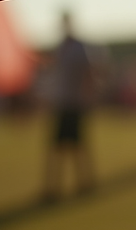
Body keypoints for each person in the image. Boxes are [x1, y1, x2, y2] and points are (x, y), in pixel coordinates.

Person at [41, 12, 95, 201]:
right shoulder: (60, 47)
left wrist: (85, 99)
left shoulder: (78, 47)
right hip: (62, 103)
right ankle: (55, 187)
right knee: (59, 147)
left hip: (73, 104)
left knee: (76, 146)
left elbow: (88, 74)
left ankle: (84, 183)